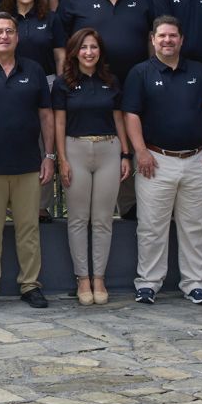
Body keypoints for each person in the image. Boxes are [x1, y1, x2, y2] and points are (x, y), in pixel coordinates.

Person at [121, 17, 202, 305]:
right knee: (151, 227)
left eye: (173, 36)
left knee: (194, 227)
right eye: (162, 36)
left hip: (197, 159)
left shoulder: (199, 72)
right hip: (155, 160)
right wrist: (140, 151)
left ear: (181, 40)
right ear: (153, 40)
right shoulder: (140, 73)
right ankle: (148, 283)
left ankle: (195, 284)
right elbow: (131, 114)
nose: (167, 40)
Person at [0, 12, 54, 309]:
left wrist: (49, 156)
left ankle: (30, 284)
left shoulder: (34, 70)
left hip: (28, 165)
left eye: (9, 31)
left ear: (17, 37)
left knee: (28, 229)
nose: (4, 36)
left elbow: (46, 116)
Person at [53, 27, 129, 305]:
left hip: (109, 149)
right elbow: (59, 123)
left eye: (93, 47)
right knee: (78, 219)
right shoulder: (63, 83)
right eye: (83, 47)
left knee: (103, 220)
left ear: (100, 52)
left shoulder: (111, 80)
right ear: (75, 52)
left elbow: (119, 119)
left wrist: (125, 154)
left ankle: (99, 278)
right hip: (75, 149)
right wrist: (62, 159)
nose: (89, 52)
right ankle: (82, 278)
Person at [1, 0, 66, 76]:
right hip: (12, 82)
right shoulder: (4, 21)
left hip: (47, 81)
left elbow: (60, 57)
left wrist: (60, 83)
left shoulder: (52, 19)